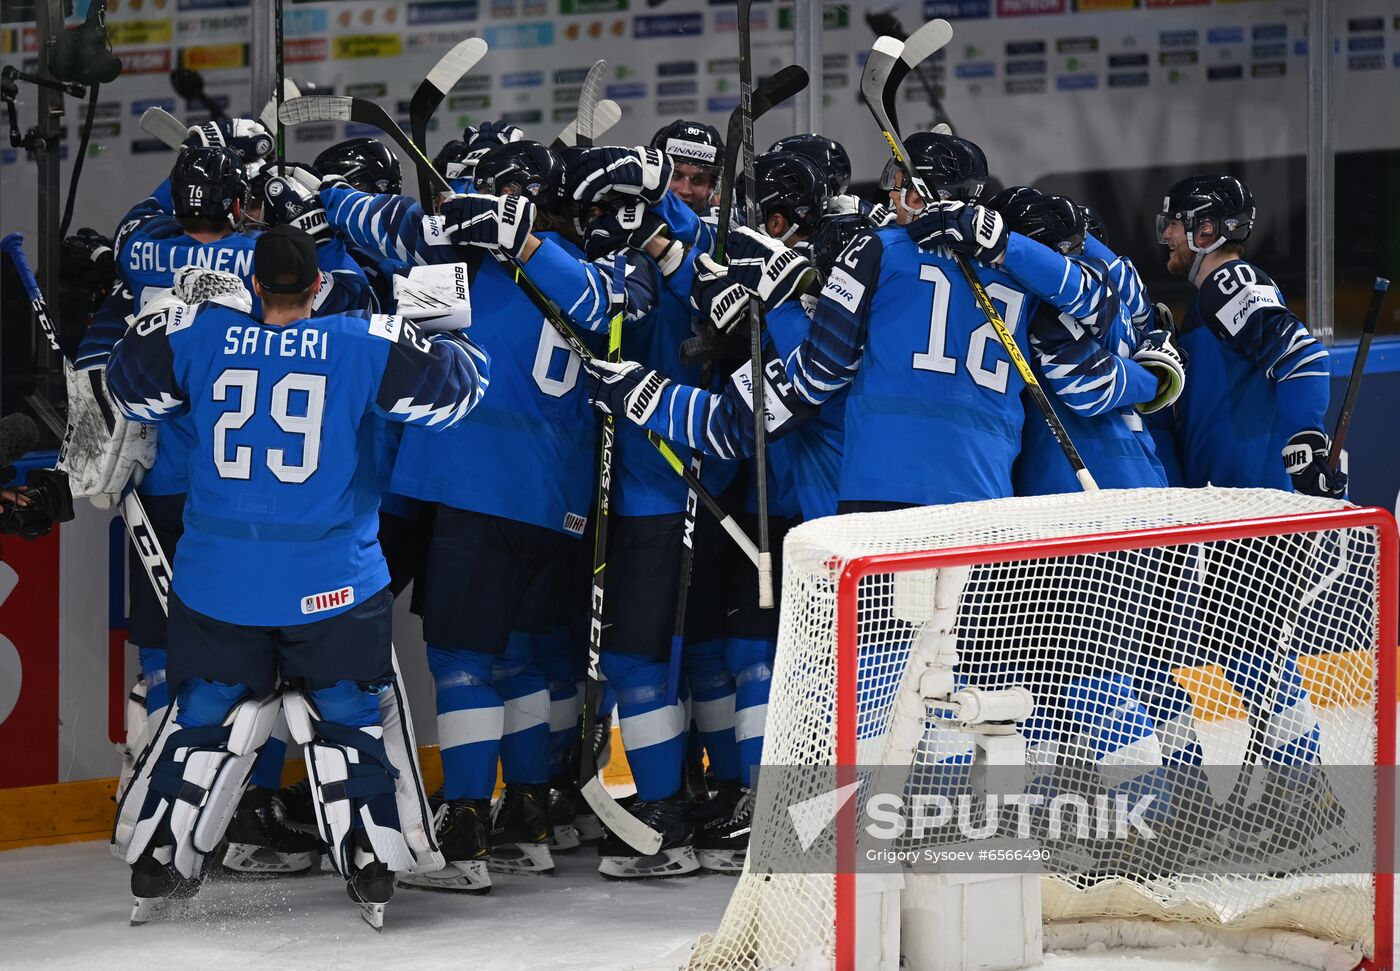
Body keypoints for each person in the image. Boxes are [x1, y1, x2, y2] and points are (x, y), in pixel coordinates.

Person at [106, 225, 488, 927]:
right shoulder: (359, 340)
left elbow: (125, 384)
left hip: (217, 582)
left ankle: (158, 851)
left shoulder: (204, 334)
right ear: (318, 285)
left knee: (205, 710)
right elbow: (460, 393)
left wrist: (168, 307)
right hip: (331, 585)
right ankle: (372, 859)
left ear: (253, 284)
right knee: (348, 712)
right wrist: (444, 326)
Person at [1157, 174, 1342, 498]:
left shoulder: (1229, 281)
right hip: (1227, 504)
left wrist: (1306, 449)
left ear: (1206, 230)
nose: (1166, 234)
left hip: (1254, 506)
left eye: (1174, 222)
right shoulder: (1211, 297)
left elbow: (1303, 359)